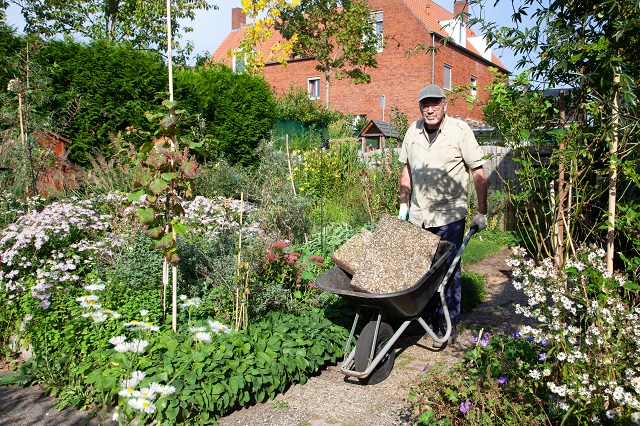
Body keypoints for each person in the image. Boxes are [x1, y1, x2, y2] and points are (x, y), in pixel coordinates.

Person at [398, 84, 488, 348]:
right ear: (420, 107)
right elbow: (407, 171)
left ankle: (446, 324)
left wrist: (482, 211)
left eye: (435, 104)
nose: (430, 109)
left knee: (447, 271)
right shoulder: (412, 131)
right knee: (421, 271)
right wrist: (404, 204)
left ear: (445, 105)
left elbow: (478, 172)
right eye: (425, 104)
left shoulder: (460, 131)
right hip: (418, 217)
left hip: (449, 216)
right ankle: (423, 318)